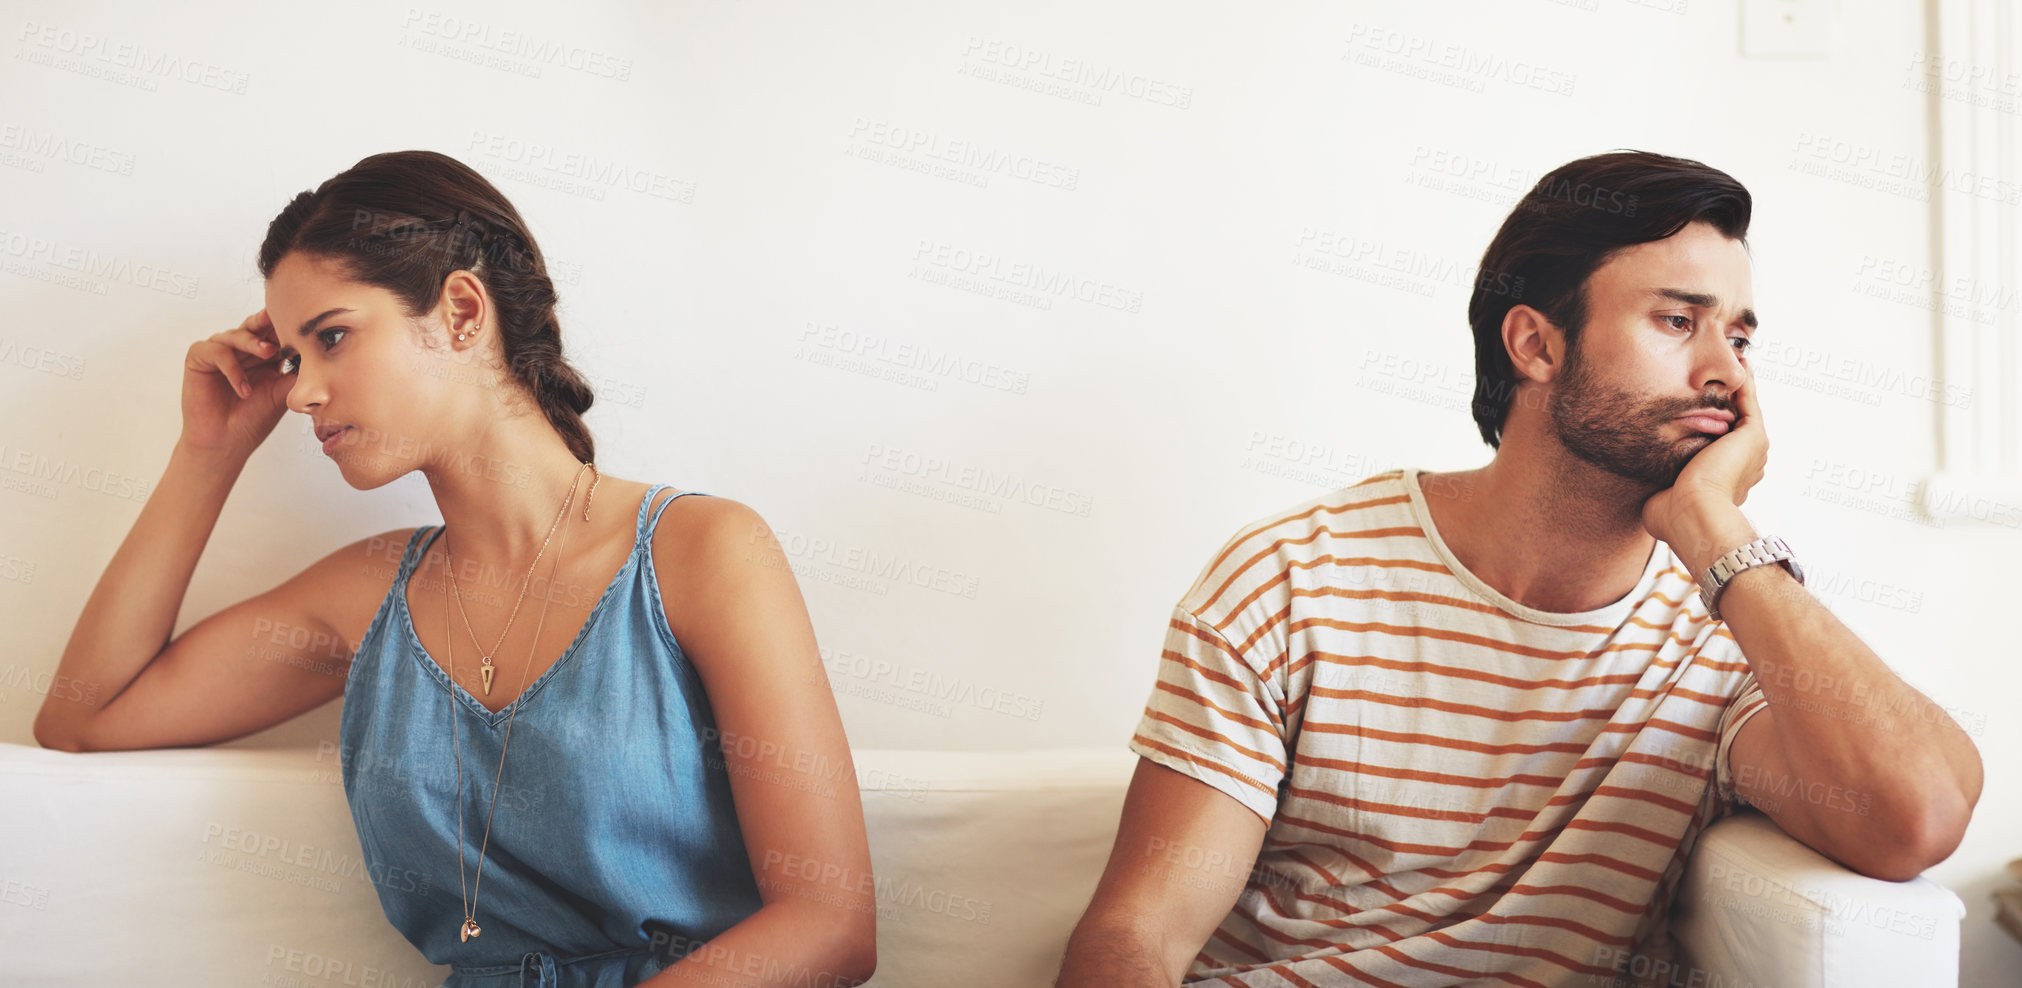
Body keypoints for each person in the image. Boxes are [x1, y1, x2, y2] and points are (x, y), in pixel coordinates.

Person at [1055, 149, 1983, 987]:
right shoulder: (1295, 579)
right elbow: (1138, 937)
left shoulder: (1727, 634)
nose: (1727, 376)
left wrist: (1714, 529)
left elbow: (1917, 819)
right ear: (1536, 344)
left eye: (1739, 337)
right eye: (1676, 321)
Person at [33, 150, 877, 988]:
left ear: (463, 312)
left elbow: (829, 927)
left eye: (331, 338)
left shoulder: (702, 553)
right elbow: (83, 718)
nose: (298, 394)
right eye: (293, 358)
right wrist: (208, 453)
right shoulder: (365, 598)